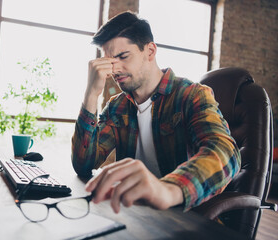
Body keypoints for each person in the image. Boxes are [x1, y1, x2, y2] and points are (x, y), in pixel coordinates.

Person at [71, 11, 241, 213]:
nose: (114, 70)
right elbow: (84, 164)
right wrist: (91, 94)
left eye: (123, 56)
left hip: (183, 217)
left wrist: (168, 189)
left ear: (150, 51)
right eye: (109, 61)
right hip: (133, 213)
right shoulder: (118, 107)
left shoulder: (192, 95)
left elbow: (225, 154)